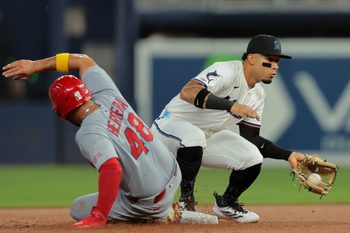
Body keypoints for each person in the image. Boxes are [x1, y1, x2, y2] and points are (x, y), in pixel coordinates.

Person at [2, 53, 181, 228]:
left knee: (78, 208)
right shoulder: (106, 93)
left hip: (150, 201)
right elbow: (83, 61)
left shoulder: (88, 132)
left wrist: (99, 215)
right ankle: (166, 207)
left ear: (61, 112)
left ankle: (158, 215)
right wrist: (36, 66)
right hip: (173, 172)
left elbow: (112, 168)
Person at [151, 34, 307, 223]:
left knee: (252, 156)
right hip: (168, 127)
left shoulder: (257, 95)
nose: (275, 66)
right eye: (270, 60)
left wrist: (288, 155)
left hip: (203, 138)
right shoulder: (226, 70)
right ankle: (186, 203)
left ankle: (226, 204)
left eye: (277, 62)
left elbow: (253, 140)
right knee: (195, 136)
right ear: (251, 58)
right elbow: (188, 91)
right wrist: (230, 106)